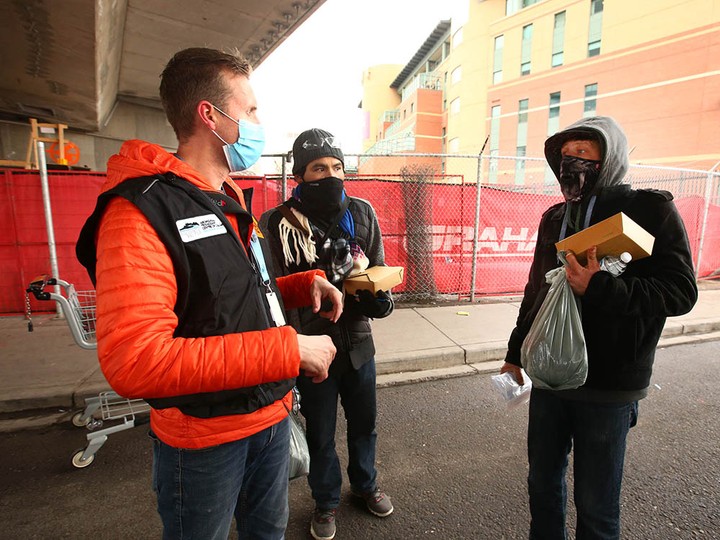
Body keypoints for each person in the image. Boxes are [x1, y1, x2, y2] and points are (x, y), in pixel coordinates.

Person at [75, 48, 343, 540]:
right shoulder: (139, 212)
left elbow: (231, 297)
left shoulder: (228, 197)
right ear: (211, 116)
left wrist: (302, 286)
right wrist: (289, 348)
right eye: (252, 110)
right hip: (204, 444)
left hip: (270, 419)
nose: (261, 122)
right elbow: (135, 361)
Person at [500, 116, 698, 540]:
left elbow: (681, 292)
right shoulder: (554, 217)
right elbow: (535, 291)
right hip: (550, 376)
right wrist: (515, 354)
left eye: (585, 153)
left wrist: (601, 287)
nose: (572, 161)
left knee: (596, 504)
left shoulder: (650, 209)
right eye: (566, 154)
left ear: (610, 159)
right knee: (542, 486)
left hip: (609, 384)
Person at [260, 128, 395, 540]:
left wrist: (379, 301)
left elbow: (379, 273)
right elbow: (270, 293)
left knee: (364, 425)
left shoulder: (362, 211)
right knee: (319, 433)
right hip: (310, 349)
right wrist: (293, 344)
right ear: (300, 175)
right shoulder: (276, 222)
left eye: (337, 166)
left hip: (358, 343)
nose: (331, 175)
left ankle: (366, 485)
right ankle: (326, 501)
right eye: (319, 168)